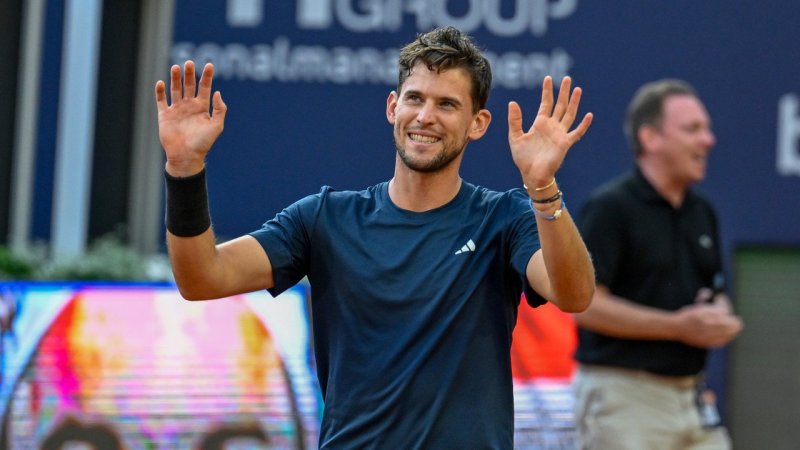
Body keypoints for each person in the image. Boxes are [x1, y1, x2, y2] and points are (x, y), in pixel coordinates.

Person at [155, 26, 595, 449]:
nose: (425, 116)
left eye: (446, 104)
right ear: (392, 106)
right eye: (415, 98)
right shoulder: (325, 217)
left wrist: (542, 188)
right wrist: (184, 169)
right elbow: (202, 279)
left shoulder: (504, 218)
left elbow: (573, 294)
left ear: (477, 123)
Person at [572, 79, 744, 449]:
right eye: (693, 129)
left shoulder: (703, 212)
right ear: (650, 138)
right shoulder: (610, 208)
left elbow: (714, 290)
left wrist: (719, 315)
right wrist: (677, 327)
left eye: (707, 129)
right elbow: (583, 305)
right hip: (623, 396)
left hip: (692, 396)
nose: (708, 140)